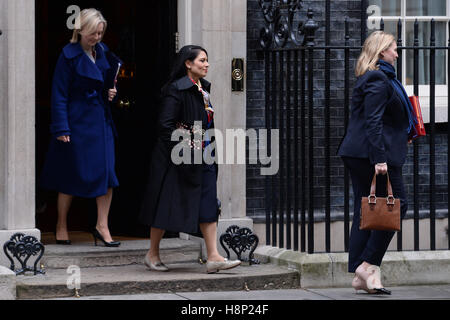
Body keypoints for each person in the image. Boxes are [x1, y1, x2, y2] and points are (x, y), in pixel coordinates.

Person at [139, 45, 241, 273]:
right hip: (176, 158)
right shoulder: (175, 90)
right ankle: (152, 254)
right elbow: (165, 126)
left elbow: (207, 124)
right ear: (188, 63)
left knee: (208, 202)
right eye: (202, 60)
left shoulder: (203, 89)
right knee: (166, 204)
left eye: (207, 60)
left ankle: (214, 256)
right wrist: (184, 146)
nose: (206, 64)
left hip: (203, 155)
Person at [338, 31, 416, 294]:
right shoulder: (378, 78)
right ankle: (368, 265)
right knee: (398, 205)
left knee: (367, 210)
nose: (397, 53)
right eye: (394, 48)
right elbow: (372, 120)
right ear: (382, 51)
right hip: (371, 154)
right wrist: (380, 158)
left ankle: (364, 275)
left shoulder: (379, 77)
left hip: (363, 152)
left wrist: (402, 133)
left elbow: (380, 118)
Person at [40, 8, 121, 247]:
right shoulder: (68, 55)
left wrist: (112, 93)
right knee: (70, 173)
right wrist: (61, 128)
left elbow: (106, 83)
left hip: (101, 120)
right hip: (76, 122)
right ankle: (61, 224)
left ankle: (102, 226)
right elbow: (59, 95)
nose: (97, 38)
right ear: (80, 30)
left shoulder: (103, 51)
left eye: (100, 33)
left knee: (108, 174)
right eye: (93, 33)